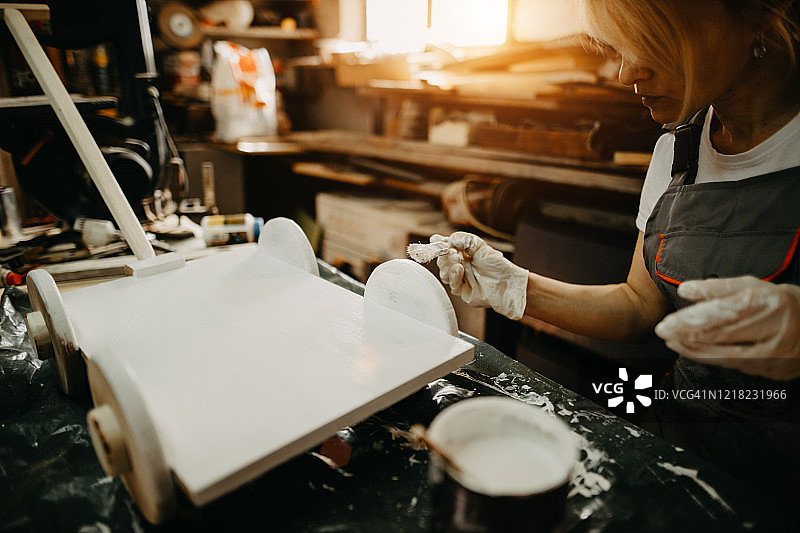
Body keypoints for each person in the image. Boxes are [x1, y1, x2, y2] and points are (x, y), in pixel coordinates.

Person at [432, 0, 800, 504]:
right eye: (620, 44)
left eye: (653, 38)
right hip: (680, 451)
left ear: (754, 14)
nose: (628, 70)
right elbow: (638, 306)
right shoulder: (677, 153)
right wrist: (516, 286)